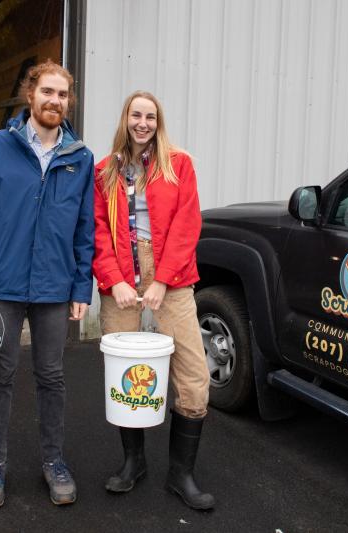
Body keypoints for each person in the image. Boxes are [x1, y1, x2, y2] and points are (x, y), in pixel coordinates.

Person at [0, 60, 94, 508]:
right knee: (1, 374)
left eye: (63, 94)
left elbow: (85, 229)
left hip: (55, 286)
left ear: (69, 101)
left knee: (51, 376)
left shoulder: (80, 157)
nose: (55, 100)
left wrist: (81, 287)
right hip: (2, 285)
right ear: (30, 94)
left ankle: (54, 461)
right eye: (47, 91)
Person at [92, 91, 214, 510]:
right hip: (121, 277)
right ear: (125, 119)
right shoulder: (104, 171)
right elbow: (97, 230)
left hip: (171, 276)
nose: (142, 123)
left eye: (150, 116)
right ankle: (134, 462)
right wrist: (114, 280)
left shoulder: (178, 164)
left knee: (193, 374)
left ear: (158, 122)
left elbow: (187, 224)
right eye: (136, 115)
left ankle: (181, 474)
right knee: (125, 371)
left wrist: (162, 279)